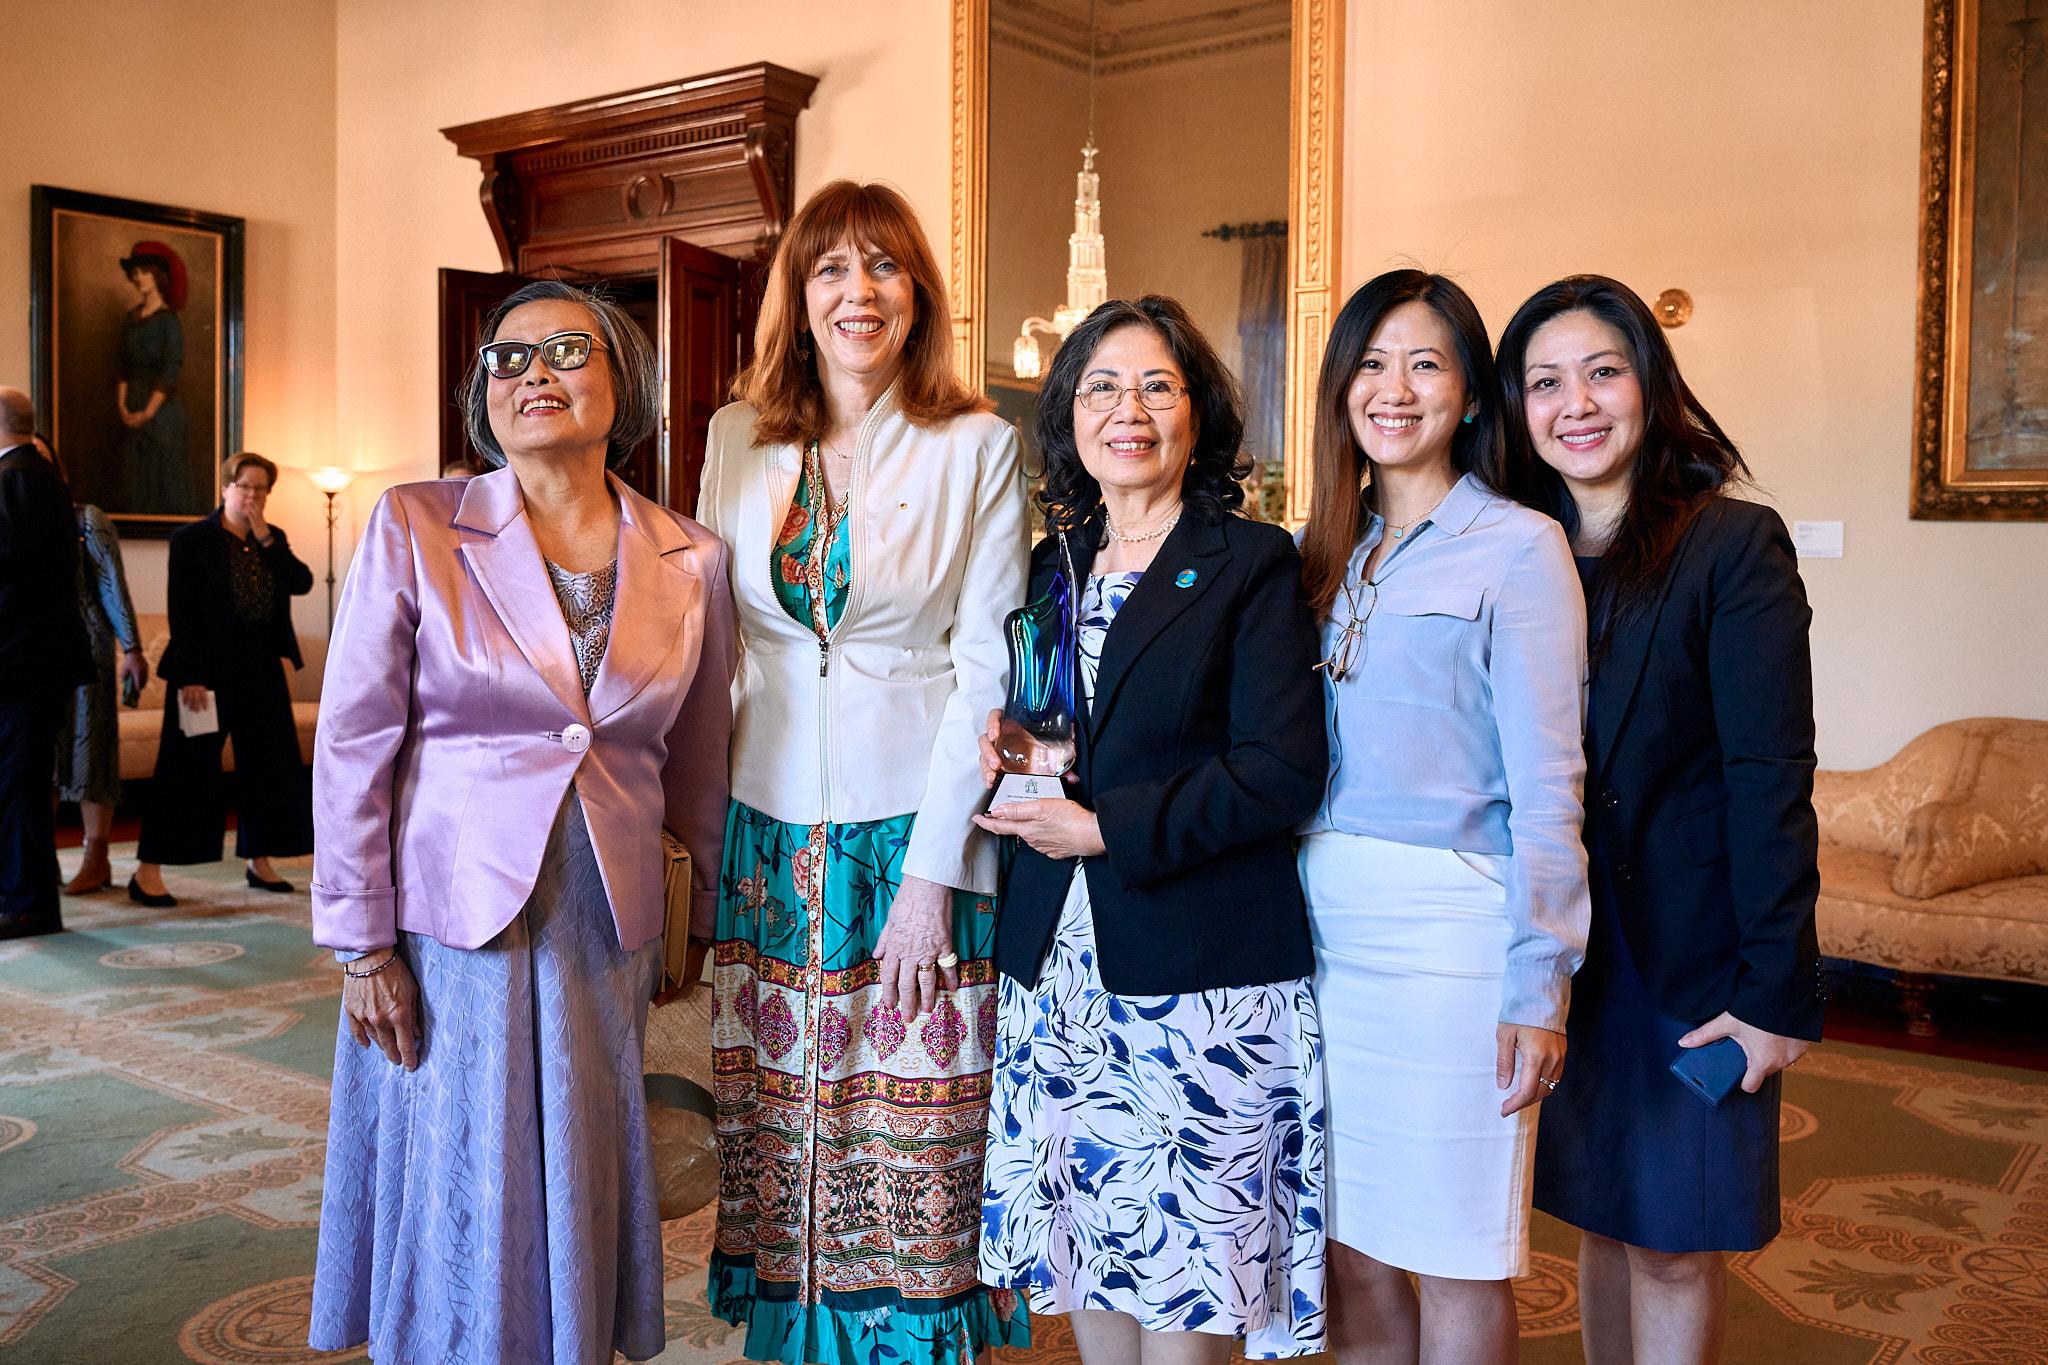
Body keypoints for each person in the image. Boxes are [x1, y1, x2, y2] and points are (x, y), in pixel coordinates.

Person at [307, 279, 736, 1363]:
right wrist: (361, 944)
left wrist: (691, 924)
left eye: (563, 350)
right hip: (454, 917)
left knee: (584, 1161)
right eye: (507, 358)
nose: (533, 373)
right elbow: (356, 741)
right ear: (481, 395)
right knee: (462, 1171)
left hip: (608, 916)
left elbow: (696, 765)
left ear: (622, 380)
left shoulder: (693, 558)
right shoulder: (417, 524)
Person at [696, 180, 1030, 1365]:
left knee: (909, 1135)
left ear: (917, 295)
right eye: (829, 268)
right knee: (778, 1120)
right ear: (798, 294)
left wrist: (935, 873)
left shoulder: (978, 445)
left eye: (882, 267)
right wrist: (694, 849)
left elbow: (985, 671)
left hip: (911, 830)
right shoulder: (737, 436)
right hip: (764, 826)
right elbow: (714, 651)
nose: (857, 291)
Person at [974, 296, 1330, 1364]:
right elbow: (1084, 727)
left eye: (1155, 386)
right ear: (1067, 417)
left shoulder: (1248, 561)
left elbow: (1279, 772)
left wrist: (1106, 828)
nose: (1126, 410)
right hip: (1060, 970)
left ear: (1196, 414)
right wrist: (1030, 756)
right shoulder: (1053, 561)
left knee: (1183, 1287)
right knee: (1089, 1249)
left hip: (1195, 976)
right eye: (1099, 387)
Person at [1497, 275, 1824, 1365]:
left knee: (1674, 1244)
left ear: (1649, 385)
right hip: (1564, 954)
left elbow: (1768, 776)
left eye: (1601, 371)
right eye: (1544, 382)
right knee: (1599, 1218)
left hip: (1688, 959)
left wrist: (1772, 997)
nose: (1574, 404)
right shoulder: (1513, 548)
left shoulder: (1730, 545)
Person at [1294, 269, 1589, 1364]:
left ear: (1468, 394)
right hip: (1321, 935)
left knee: (1453, 1250)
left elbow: (1549, 785)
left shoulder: (1519, 546)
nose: (1394, 388)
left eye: (1424, 362)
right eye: (1370, 363)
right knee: (1352, 1249)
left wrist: (1537, 981)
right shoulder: (1324, 551)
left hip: (1452, 941)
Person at [129, 453, 314, 907]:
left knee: (269, 767)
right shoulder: (191, 539)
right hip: (204, 673)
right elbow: (182, 611)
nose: (252, 496)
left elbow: (301, 582)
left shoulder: (271, 539)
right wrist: (191, 676)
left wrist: (267, 537)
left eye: (260, 490)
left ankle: (260, 861)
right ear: (226, 488)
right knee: (184, 769)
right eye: (245, 487)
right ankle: (147, 870)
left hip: (261, 667)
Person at [35, 436, 150, 894]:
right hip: (31, 656)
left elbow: (112, 587)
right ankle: (39, 861)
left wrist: (133, 647)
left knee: (90, 756)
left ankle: (95, 856)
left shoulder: (87, 518)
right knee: (36, 759)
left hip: (87, 650)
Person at [0, 389, 93, 939]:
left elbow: (15, 573)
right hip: (34, 660)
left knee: (18, 783)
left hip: (23, 661)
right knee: (21, 781)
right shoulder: (38, 475)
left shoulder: (17, 478)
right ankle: (23, 892)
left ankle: (28, 903)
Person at [117, 243, 194, 514]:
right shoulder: (131, 318)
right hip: (133, 404)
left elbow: (170, 371)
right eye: (135, 273)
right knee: (135, 479)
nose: (139, 278)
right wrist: (124, 408)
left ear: (157, 275)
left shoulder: (168, 321)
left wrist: (147, 414)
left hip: (162, 413)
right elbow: (123, 367)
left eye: (144, 272)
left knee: (163, 476)